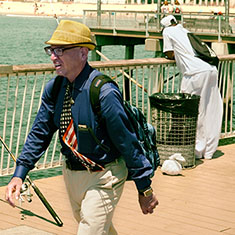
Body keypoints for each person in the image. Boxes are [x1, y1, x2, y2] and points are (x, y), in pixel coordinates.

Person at [5, 20, 158, 234]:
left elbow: (127, 142)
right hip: (72, 174)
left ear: (83, 53)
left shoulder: (104, 92)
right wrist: (19, 174)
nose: (52, 56)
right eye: (51, 50)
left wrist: (144, 188)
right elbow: (40, 132)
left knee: (89, 230)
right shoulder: (55, 88)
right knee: (97, 228)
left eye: (60, 50)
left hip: (105, 175)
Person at [161, 15, 223, 160]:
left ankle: (196, 150)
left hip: (194, 73)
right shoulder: (184, 30)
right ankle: (209, 151)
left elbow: (169, 53)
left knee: (192, 111)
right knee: (211, 110)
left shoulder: (167, 32)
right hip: (211, 69)